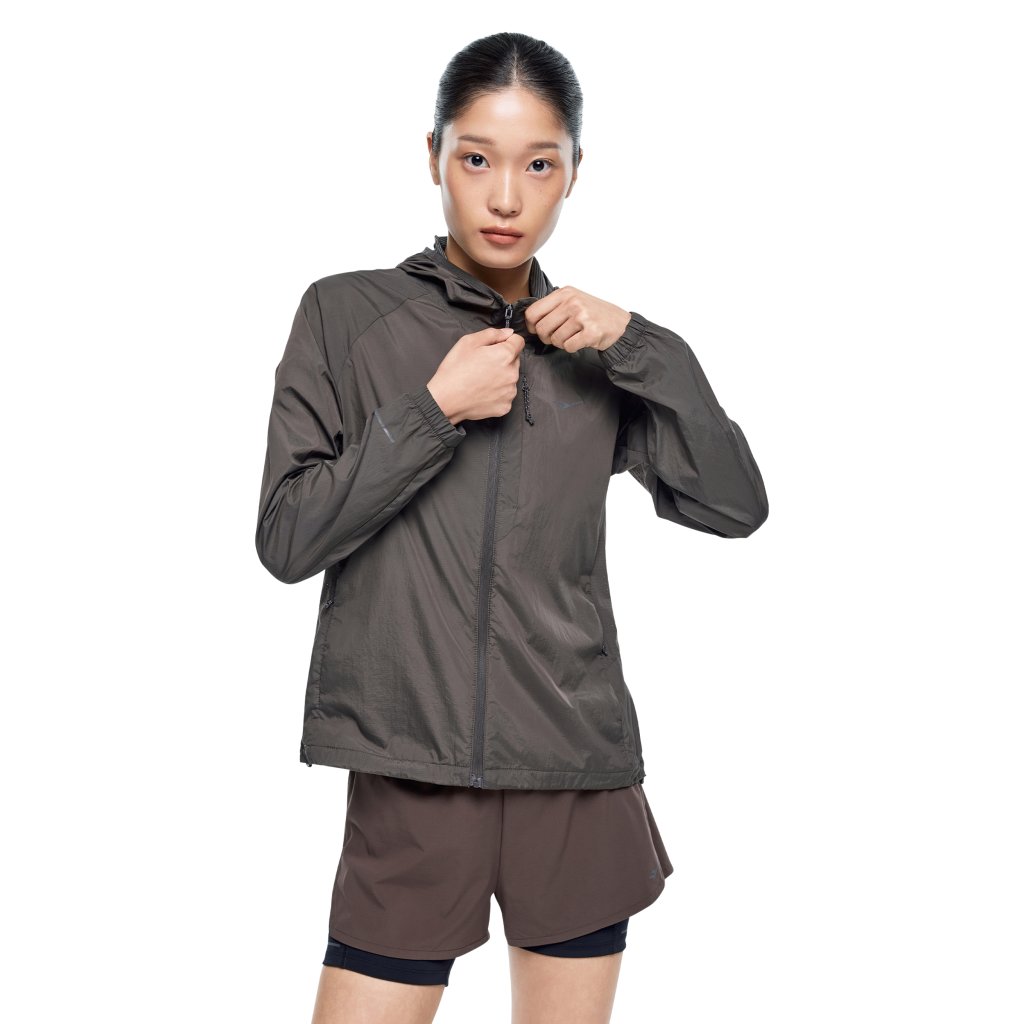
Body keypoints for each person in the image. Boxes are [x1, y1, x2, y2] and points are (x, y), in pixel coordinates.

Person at [255, 31, 769, 1024]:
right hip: (412, 776)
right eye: (476, 159)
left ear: (574, 172)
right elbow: (287, 537)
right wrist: (431, 412)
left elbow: (734, 504)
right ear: (433, 157)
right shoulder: (344, 315)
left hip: (574, 775)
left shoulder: (595, 347)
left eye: (538, 165)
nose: (504, 197)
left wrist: (644, 347)